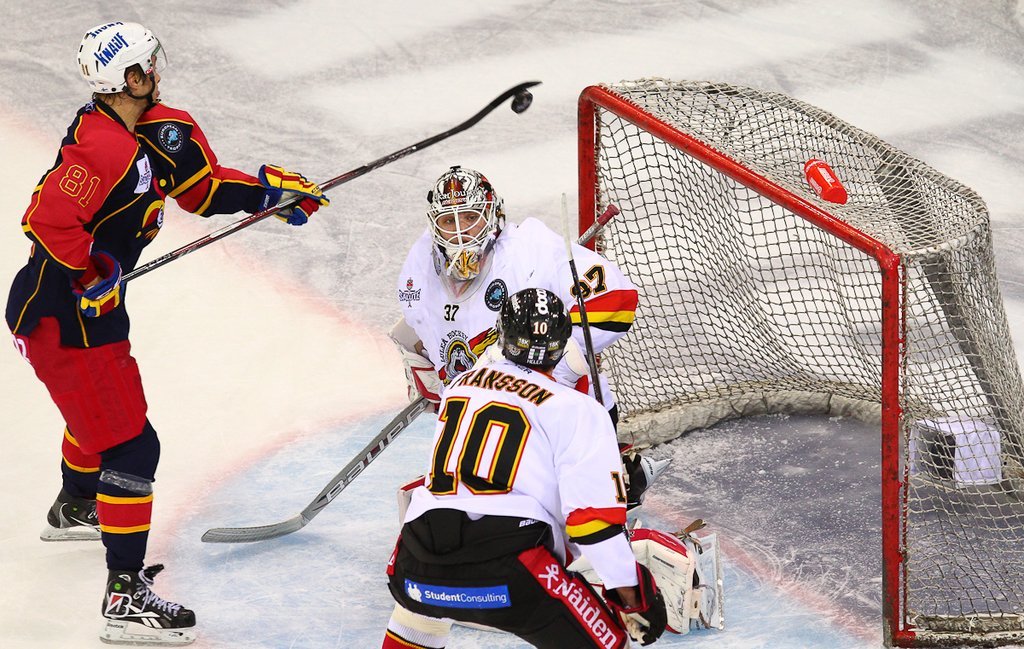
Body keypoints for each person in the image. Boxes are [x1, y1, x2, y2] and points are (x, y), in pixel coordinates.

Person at [5, 21, 328, 646]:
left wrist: (266, 195)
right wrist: (93, 272)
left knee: (98, 417)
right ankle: (124, 596)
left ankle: (75, 506)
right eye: (146, 65)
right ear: (126, 77)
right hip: (63, 316)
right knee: (132, 447)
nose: (156, 71)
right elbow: (45, 219)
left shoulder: (158, 129)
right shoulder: (102, 147)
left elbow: (201, 190)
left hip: (90, 312)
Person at [381, 288, 669, 648]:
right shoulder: (579, 409)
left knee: (418, 618)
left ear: (502, 336)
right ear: (562, 347)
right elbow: (593, 525)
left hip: (415, 558)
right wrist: (633, 595)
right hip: (511, 570)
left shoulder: (459, 386)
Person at [391, 165, 668, 510]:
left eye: (471, 217)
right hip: (480, 412)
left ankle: (608, 475)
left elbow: (615, 301)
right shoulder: (420, 264)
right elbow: (419, 326)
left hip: (546, 405)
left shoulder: (529, 249)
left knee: (579, 382)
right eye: (449, 221)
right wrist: (424, 363)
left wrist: (551, 361)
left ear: (493, 214)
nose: (460, 232)